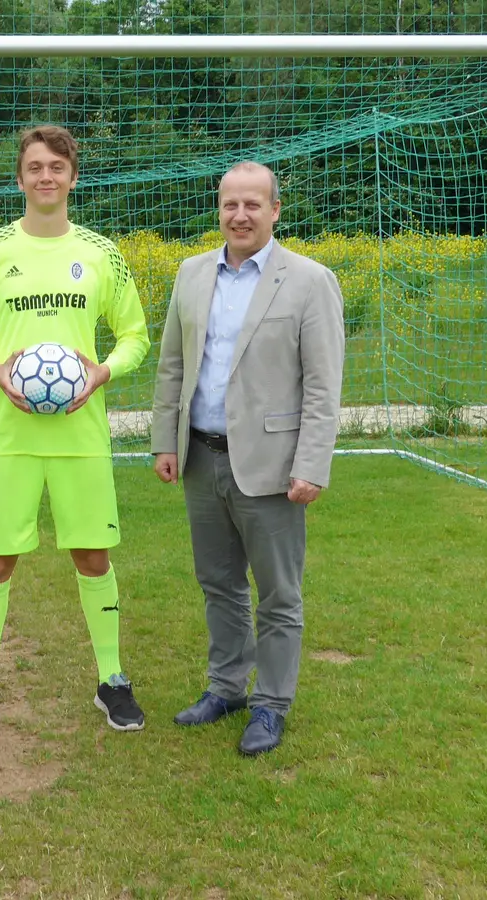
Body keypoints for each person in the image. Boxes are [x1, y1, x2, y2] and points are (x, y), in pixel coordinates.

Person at [0, 126, 151, 738]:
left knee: (93, 554)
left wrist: (104, 370)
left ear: (73, 177)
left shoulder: (102, 253)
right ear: (20, 178)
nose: (45, 177)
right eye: (34, 167)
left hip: (80, 434)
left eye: (56, 167)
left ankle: (112, 680)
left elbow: (135, 334)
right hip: (11, 434)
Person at [150, 161, 345, 756]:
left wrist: (311, 463)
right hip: (201, 459)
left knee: (278, 594)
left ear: (275, 211)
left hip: (273, 466)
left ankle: (271, 704)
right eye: (230, 204)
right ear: (219, 208)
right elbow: (172, 365)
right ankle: (228, 686)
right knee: (219, 583)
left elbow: (323, 385)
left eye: (253, 205)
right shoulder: (190, 274)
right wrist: (166, 439)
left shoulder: (310, 281)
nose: (240, 215)